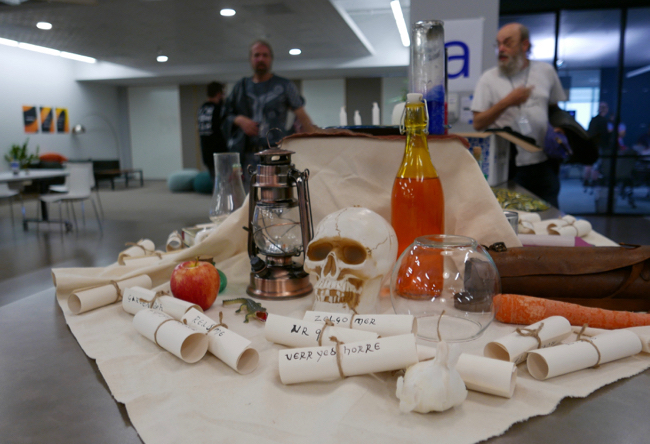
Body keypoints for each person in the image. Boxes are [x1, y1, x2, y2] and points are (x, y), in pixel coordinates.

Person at [471, 23, 567, 207]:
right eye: (498, 44)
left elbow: (555, 109)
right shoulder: (489, 79)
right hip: (508, 167)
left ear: (525, 45)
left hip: (544, 161)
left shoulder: (546, 72)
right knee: (512, 220)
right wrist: (508, 102)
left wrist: (559, 128)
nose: (501, 49)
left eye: (507, 43)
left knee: (550, 214)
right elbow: (478, 123)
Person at [222, 40, 320, 188]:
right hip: (248, 156)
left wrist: (317, 143)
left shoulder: (285, 86)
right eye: (256, 55)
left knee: (276, 200)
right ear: (251, 59)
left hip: (276, 156)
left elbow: (302, 115)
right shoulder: (240, 87)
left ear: (271, 59)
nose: (260, 59)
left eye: (265, 55)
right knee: (249, 204)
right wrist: (240, 120)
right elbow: (225, 115)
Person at [197, 81, 228, 178]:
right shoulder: (219, 109)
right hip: (220, 153)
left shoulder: (202, 108)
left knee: (215, 183)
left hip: (206, 153)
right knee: (224, 184)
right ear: (218, 94)